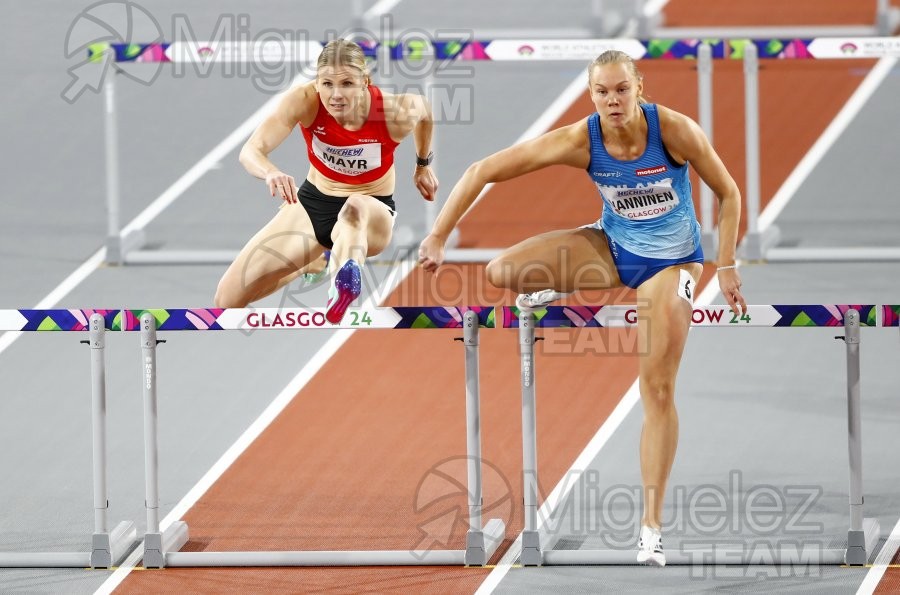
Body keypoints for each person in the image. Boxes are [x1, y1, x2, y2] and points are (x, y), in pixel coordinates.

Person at [418, 50, 747, 566]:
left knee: (656, 387)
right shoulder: (581, 139)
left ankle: (651, 525)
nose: (612, 100)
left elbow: (728, 193)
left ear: (640, 88)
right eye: (601, 92)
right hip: (613, 251)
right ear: (591, 95)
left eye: (621, 89)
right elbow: (484, 170)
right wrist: (438, 234)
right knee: (502, 272)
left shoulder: (674, 131)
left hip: (672, 264)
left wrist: (725, 266)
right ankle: (563, 285)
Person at [215, 39, 438, 323]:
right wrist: (270, 171)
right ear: (316, 83)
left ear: (364, 83)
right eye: (327, 84)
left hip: (372, 209)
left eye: (347, 84)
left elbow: (426, 113)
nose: (336, 95)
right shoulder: (304, 101)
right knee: (227, 300)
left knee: (354, 208)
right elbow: (251, 151)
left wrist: (422, 165)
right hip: (313, 203)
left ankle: (341, 286)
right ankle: (310, 264)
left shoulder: (394, 111)